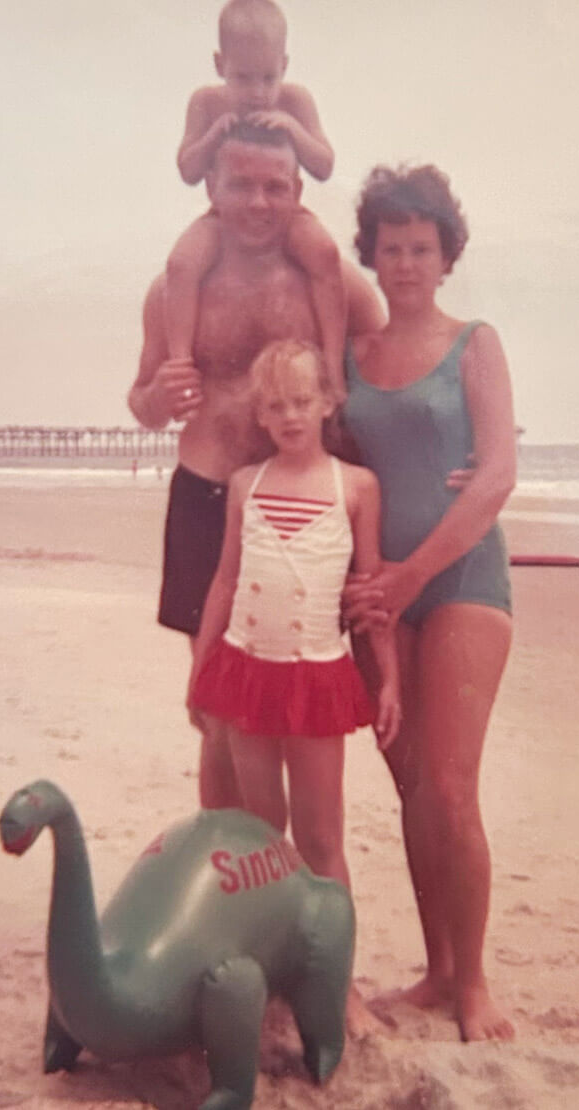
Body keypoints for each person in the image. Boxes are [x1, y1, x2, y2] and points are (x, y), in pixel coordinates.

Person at [127, 120, 385, 813]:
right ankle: (227, 872)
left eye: (276, 187)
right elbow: (141, 400)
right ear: (211, 188)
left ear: (299, 190)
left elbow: (390, 360)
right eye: (240, 184)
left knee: (296, 698)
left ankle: (281, 876)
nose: (259, 202)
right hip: (209, 494)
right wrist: (157, 398)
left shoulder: (325, 284)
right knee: (219, 712)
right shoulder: (173, 291)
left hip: (302, 508)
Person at [342, 164, 518, 1043]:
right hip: (378, 602)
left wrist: (412, 575)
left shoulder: (474, 343)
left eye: (422, 247)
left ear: (446, 256)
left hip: (460, 584)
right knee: (411, 786)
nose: (405, 262)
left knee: (451, 789)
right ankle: (436, 970)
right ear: (369, 255)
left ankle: (476, 983)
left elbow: (495, 477)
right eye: (390, 247)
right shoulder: (351, 358)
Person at [187, 339, 400, 892]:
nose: (290, 415)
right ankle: (272, 951)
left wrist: (390, 677)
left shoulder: (355, 486)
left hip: (316, 675)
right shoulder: (245, 485)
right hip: (244, 670)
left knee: (321, 838)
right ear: (260, 414)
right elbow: (226, 581)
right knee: (261, 831)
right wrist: (199, 671)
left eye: (302, 401)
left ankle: (332, 974)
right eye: (276, 405)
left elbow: (370, 591)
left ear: (328, 403)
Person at [166, 0, 346, 396]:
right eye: (243, 78)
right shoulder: (206, 102)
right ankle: (181, 367)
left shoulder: (295, 100)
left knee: (326, 255)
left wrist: (294, 130)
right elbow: (188, 170)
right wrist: (213, 135)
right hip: (223, 213)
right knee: (180, 264)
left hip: (288, 209)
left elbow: (324, 165)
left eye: (268, 78)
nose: (258, 92)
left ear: (284, 65)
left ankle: (333, 365)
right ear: (219, 65)